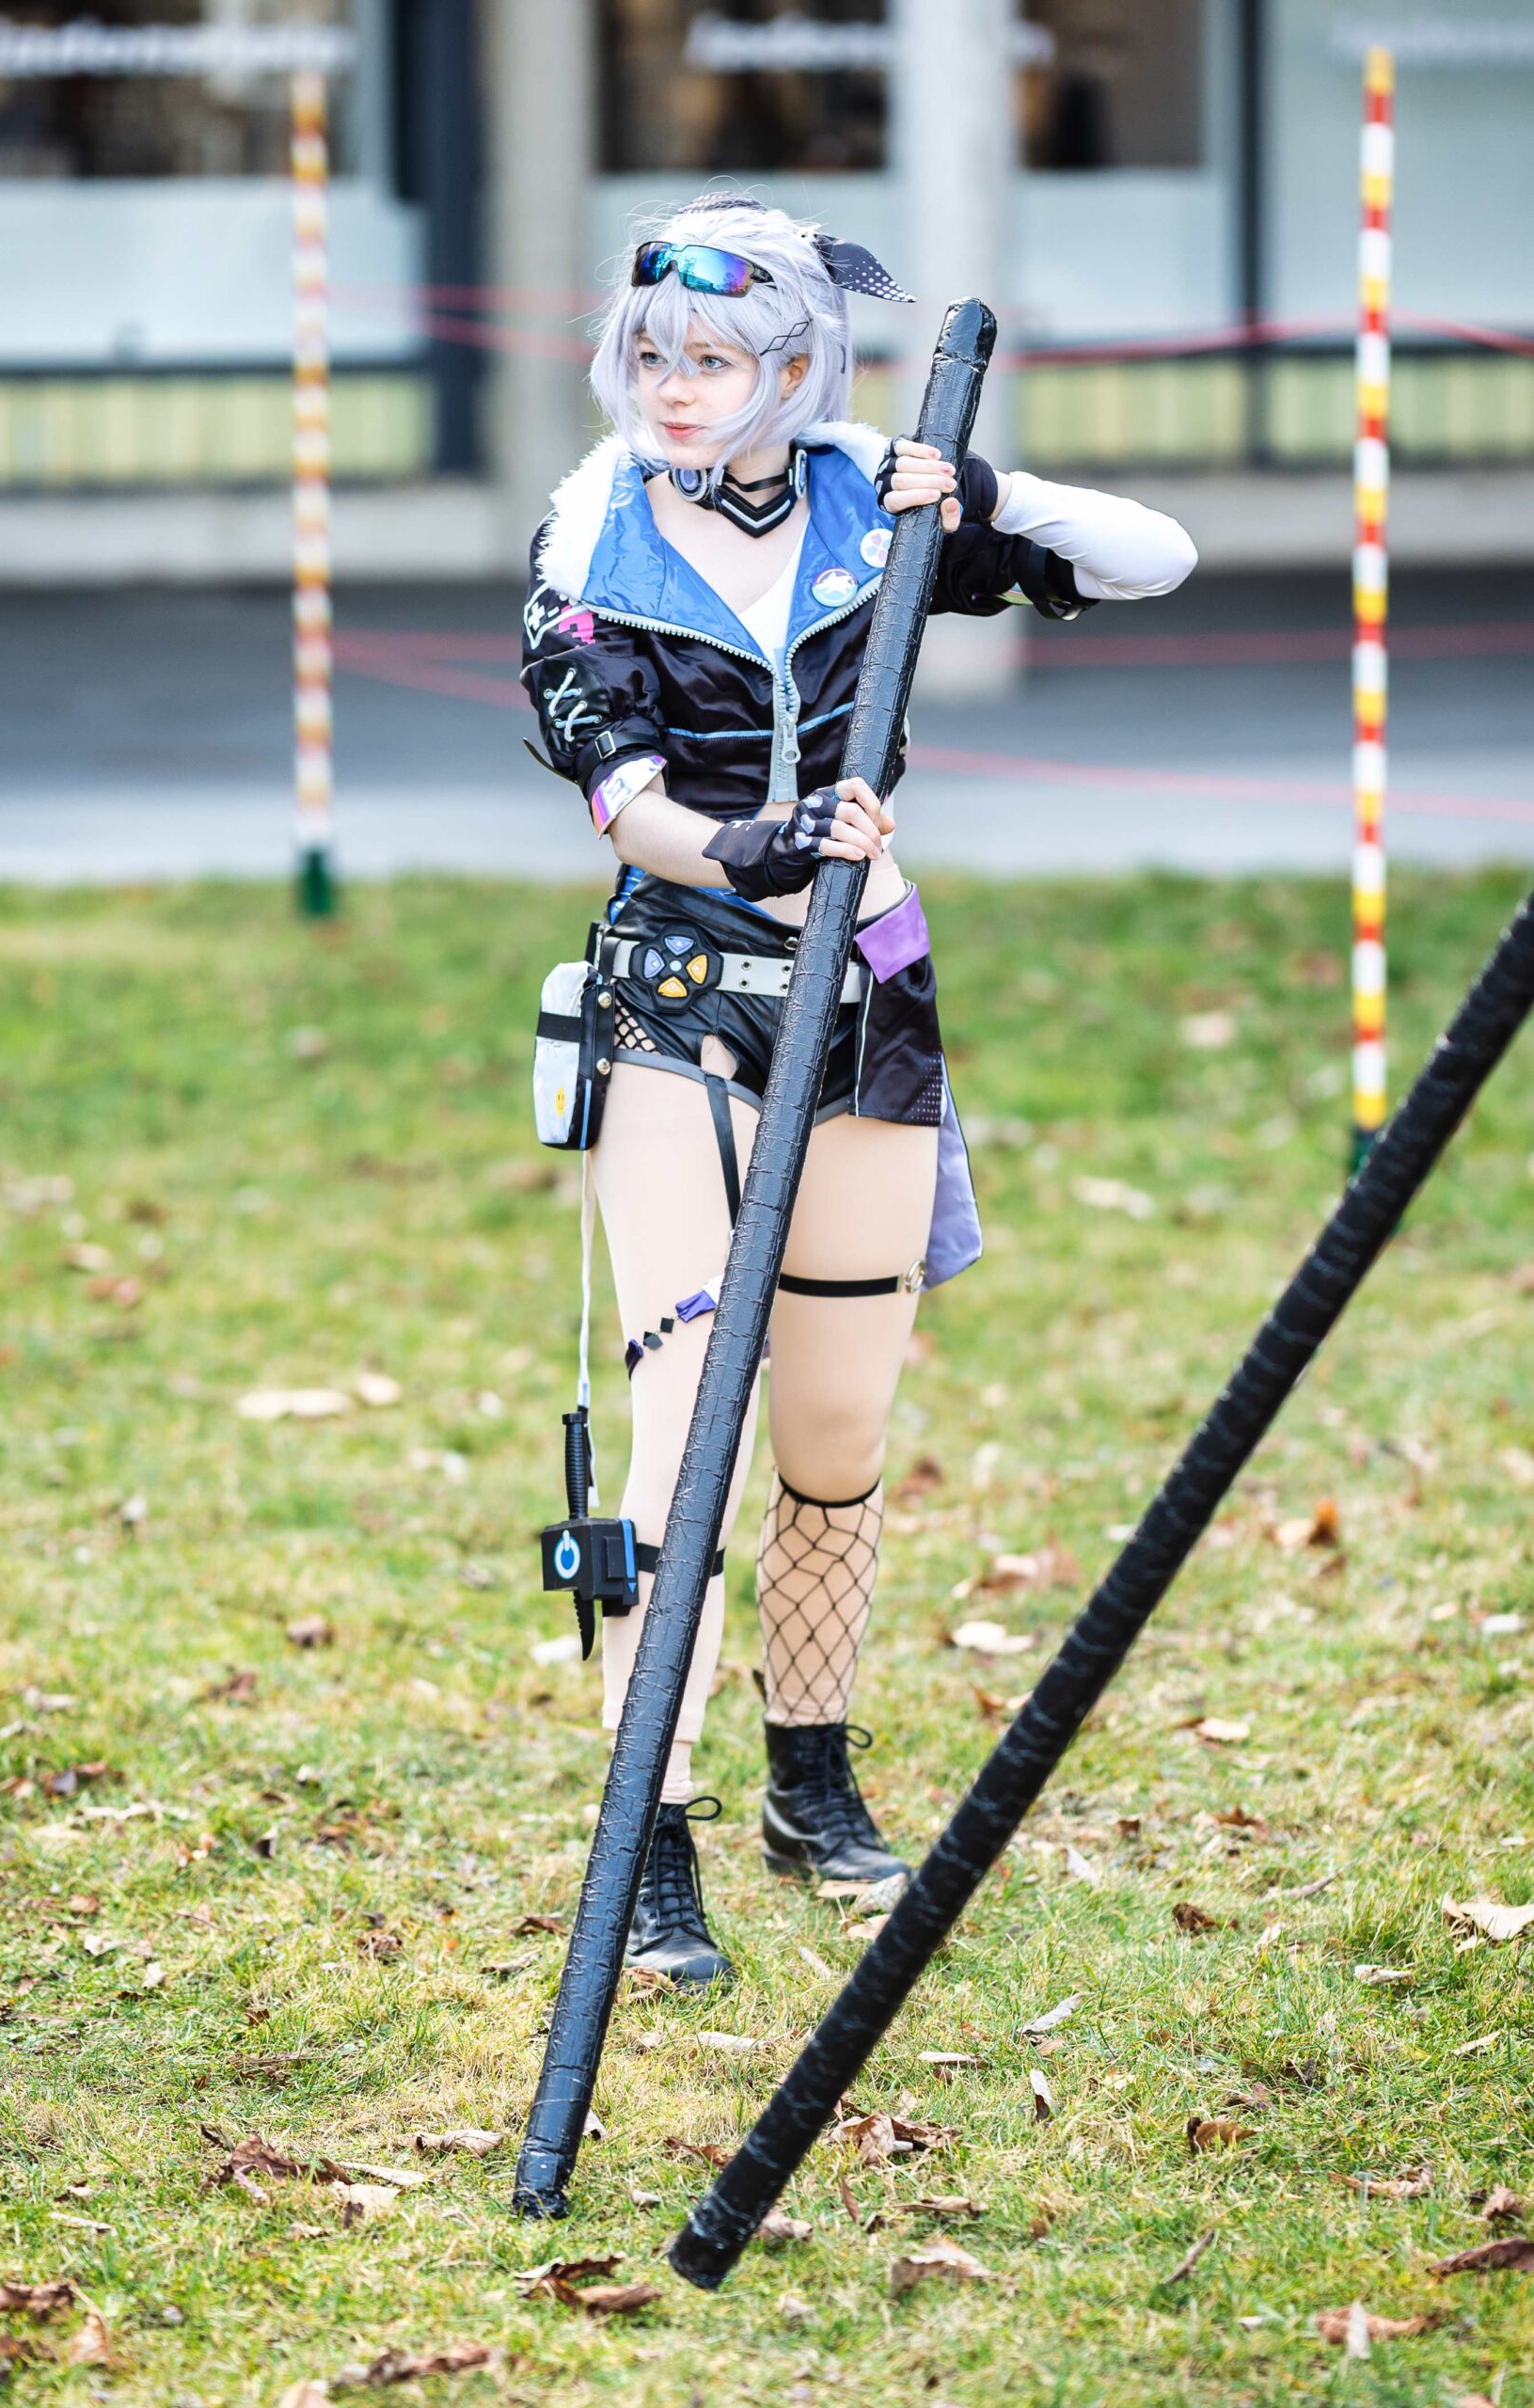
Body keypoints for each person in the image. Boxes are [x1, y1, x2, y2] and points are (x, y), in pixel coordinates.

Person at [522, 197, 1195, 1987]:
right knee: (687, 1437)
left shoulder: (868, 505)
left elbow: (1159, 557)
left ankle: (808, 1781)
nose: (674, 385)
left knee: (832, 1439)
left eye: (715, 357)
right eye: (651, 353)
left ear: (799, 364)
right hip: (682, 998)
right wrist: (748, 843)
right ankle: (647, 1837)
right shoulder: (595, 529)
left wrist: (975, 496)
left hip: (868, 1004)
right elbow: (621, 793)